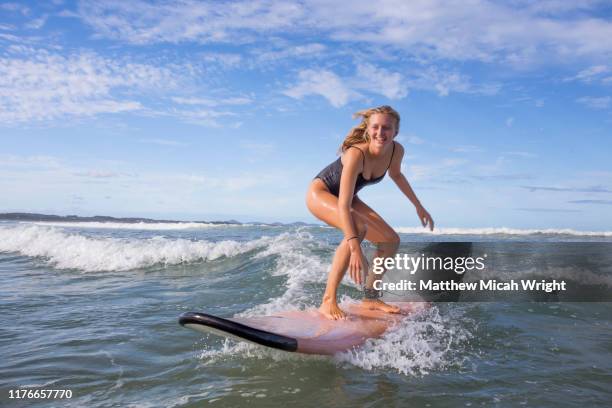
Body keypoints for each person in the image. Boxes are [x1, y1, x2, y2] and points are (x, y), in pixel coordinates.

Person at [306, 105, 434, 320]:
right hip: (321, 193)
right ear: (367, 129)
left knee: (390, 240)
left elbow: (397, 175)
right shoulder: (356, 154)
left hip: (348, 198)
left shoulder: (396, 150)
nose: (380, 133)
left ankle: (370, 298)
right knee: (357, 228)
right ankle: (328, 301)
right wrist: (355, 248)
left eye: (387, 128)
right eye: (375, 127)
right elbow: (344, 206)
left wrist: (418, 205)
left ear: (396, 132)